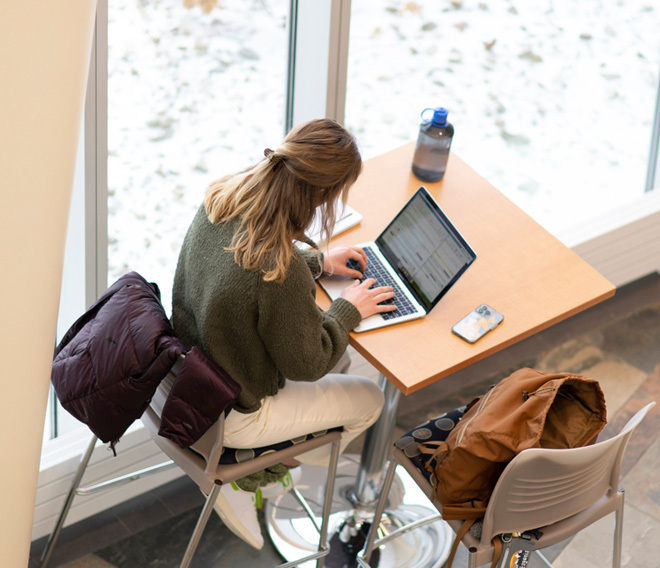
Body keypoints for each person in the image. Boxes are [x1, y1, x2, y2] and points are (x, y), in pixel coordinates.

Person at [171, 118, 397, 549]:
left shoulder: (222, 198)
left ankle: (268, 464)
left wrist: (319, 264)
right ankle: (253, 477)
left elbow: (242, 281)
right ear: (325, 196)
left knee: (344, 360)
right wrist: (350, 309)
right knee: (371, 399)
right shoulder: (280, 266)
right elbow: (307, 365)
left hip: (190, 375)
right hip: (233, 413)